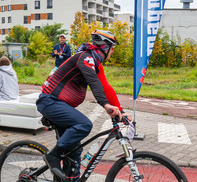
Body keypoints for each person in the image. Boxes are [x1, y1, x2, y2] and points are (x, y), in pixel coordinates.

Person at [36, 30, 132, 180]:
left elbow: (105, 87)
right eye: (112, 48)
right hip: (50, 102)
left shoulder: (95, 63)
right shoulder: (85, 57)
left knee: (73, 152)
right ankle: (52, 156)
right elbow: (93, 82)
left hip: (59, 104)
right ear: (105, 48)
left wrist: (120, 110)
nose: (112, 52)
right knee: (84, 124)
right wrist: (106, 105)